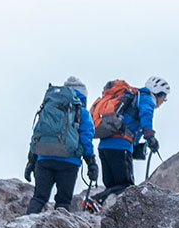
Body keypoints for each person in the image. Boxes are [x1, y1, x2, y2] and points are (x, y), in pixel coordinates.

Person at [24, 76, 97, 213]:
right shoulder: (82, 112)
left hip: (44, 158)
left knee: (39, 197)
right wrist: (91, 164)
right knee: (63, 201)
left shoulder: (49, 108)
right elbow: (86, 138)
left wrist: (31, 162)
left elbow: (36, 134)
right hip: (69, 162)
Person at [93, 75, 168, 195]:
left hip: (104, 146)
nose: (162, 103)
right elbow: (146, 115)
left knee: (112, 186)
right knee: (126, 187)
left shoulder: (134, 97)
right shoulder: (147, 99)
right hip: (120, 146)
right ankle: (96, 200)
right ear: (159, 94)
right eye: (164, 98)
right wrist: (150, 137)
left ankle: (95, 207)